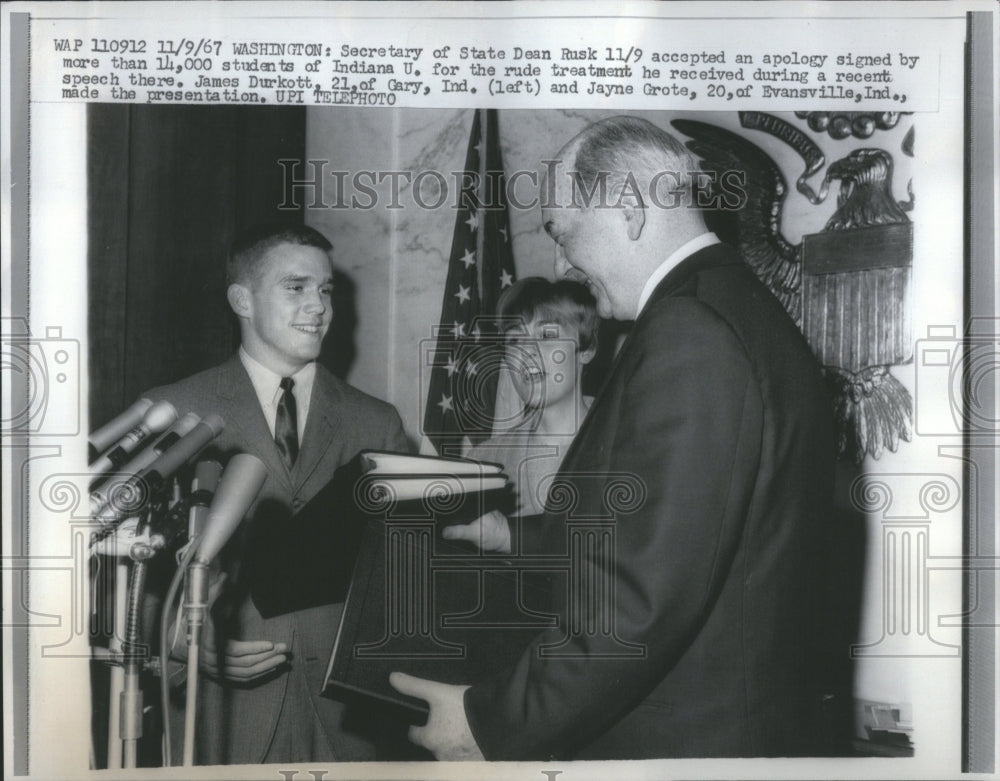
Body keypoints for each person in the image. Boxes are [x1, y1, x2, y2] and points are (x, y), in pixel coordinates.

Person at [390, 115, 837, 759]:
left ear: (627, 207)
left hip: (681, 742)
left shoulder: (692, 330)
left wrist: (489, 723)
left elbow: (640, 598)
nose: (560, 263)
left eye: (562, 233)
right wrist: (510, 533)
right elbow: (672, 533)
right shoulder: (729, 306)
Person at [147, 224, 409, 764]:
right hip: (215, 720)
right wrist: (180, 643)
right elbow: (121, 574)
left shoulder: (377, 422)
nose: (319, 306)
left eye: (327, 289)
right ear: (242, 299)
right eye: (296, 287)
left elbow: (400, 579)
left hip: (347, 724)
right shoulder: (173, 412)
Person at [464, 277, 598, 517]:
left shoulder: (626, 444)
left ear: (586, 350)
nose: (526, 350)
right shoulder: (483, 463)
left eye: (546, 335)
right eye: (514, 340)